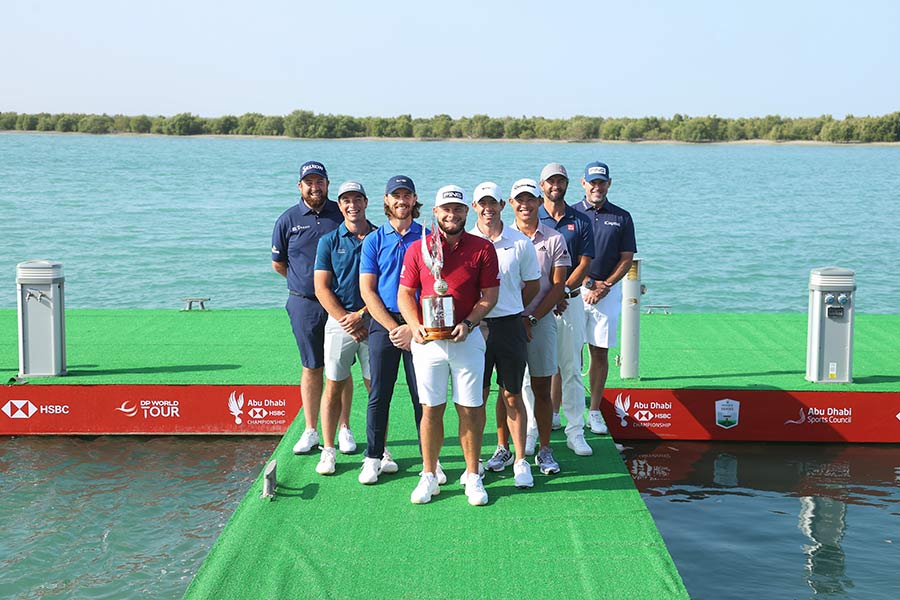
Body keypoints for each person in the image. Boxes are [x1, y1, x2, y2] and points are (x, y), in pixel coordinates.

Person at [398, 185, 499, 505]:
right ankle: (429, 475)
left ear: (465, 212)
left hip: (466, 339)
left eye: (457, 209)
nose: (451, 214)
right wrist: (414, 326)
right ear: (435, 212)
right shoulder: (418, 248)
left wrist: (469, 323)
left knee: (470, 408)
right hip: (428, 342)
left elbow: (490, 296)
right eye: (445, 209)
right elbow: (404, 293)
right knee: (431, 409)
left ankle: (472, 475)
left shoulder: (482, 248)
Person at [468, 182, 540, 489]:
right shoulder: (465, 242)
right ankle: (478, 461)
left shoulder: (520, 242)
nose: (488, 208)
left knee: (512, 394)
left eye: (493, 203)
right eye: (482, 203)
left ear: (501, 205)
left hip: (510, 326)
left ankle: (520, 460)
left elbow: (533, 285)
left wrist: (514, 310)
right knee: (476, 397)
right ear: (474, 208)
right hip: (476, 328)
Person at [271, 160, 344, 455]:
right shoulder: (288, 219)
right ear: (300, 186)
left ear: (327, 184)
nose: (315, 187)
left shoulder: (341, 215)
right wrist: (307, 284)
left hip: (340, 303)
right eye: (309, 182)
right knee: (312, 366)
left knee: (340, 369)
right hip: (304, 304)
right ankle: (311, 429)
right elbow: (279, 264)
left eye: (320, 181)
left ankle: (344, 428)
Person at [357, 175, 427, 485]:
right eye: (395, 195)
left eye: (406, 195)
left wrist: (412, 328)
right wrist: (392, 328)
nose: (401, 200)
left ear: (414, 200)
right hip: (383, 323)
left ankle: (430, 461)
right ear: (386, 200)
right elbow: (368, 291)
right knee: (379, 394)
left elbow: (433, 290)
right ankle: (373, 457)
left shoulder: (428, 237)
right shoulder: (373, 239)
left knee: (422, 395)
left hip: (419, 325)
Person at [312, 181, 377, 475]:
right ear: (340, 206)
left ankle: (379, 449)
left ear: (366, 202)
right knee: (333, 386)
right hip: (341, 324)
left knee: (376, 389)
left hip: (374, 322)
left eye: (357, 199)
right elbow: (322, 288)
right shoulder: (328, 241)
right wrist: (347, 320)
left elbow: (386, 286)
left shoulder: (380, 236)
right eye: (346, 200)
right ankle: (328, 450)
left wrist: (363, 315)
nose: (352, 205)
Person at [533, 162, 597, 454]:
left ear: (567, 184)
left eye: (560, 181)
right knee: (530, 371)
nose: (555, 186)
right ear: (541, 185)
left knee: (571, 367)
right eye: (550, 181)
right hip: (535, 305)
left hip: (568, 303)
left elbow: (585, 262)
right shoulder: (531, 216)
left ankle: (575, 430)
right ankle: (531, 430)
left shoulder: (580, 220)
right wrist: (548, 295)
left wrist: (563, 290)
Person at [509, 178, 570, 475]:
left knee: (542, 388)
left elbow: (558, 287)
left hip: (541, 321)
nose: (525, 205)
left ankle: (545, 449)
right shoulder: (501, 238)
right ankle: (506, 449)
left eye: (530, 199)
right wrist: (515, 318)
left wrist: (531, 318)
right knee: (508, 390)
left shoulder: (554, 238)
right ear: (510, 204)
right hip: (506, 323)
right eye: (519, 200)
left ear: (538, 201)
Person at [574, 162, 636, 434]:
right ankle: (563, 409)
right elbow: (564, 253)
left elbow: (626, 258)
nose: (596, 187)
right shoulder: (571, 213)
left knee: (599, 351)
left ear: (609, 184)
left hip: (607, 292)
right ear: (583, 183)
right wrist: (587, 282)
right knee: (568, 352)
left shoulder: (622, 217)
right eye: (592, 182)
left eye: (601, 182)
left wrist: (605, 285)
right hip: (575, 288)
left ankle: (595, 411)